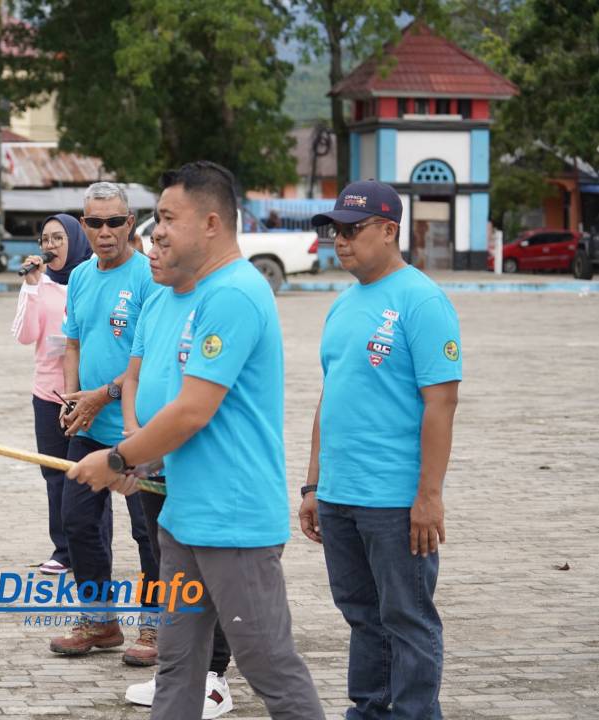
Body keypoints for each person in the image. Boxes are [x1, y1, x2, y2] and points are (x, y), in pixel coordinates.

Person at [68, 161, 324, 720]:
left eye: (166, 217)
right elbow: (166, 402)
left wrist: (116, 457)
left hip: (232, 524)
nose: (155, 231)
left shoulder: (233, 294)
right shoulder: (188, 293)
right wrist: (142, 462)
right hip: (183, 520)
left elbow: (194, 410)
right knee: (178, 664)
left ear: (211, 223)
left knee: (270, 667)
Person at [299, 180, 461, 720]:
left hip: (395, 500)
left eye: (352, 229)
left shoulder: (422, 300)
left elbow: (441, 406)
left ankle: (415, 713)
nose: (340, 241)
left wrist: (428, 497)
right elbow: (331, 395)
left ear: (389, 230)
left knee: (407, 616)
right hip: (341, 496)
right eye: (334, 230)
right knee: (361, 616)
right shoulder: (343, 305)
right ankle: (368, 710)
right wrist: (313, 484)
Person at [120, 219, 235, 718]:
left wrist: (145, 450)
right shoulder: (154, 303)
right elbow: (134, 377)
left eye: (161, 246)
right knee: (169, 571)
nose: (151, 255)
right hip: (149, 462)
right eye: (149, 247)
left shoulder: (214, 303)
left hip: (194, 465)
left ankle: (213, 677)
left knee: (215, 576)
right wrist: (131, 436)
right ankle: (177, 672)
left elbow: (198, 405)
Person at [48, 182, 161, 666]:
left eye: (115, 221)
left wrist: (105, 396)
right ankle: (99, 620)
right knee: (77, 521)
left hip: (138, 431)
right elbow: (72, 342)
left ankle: (157, 627)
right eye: (95, 223)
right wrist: (74, 397)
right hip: (89, 428)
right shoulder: (79, 277)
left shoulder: (147, 277)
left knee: (148, 534)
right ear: (84, 225)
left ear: (130, 223)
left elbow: (149, 357)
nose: (105, 231)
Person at [11, 213, 93, 575]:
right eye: (45, 239)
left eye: (59, 238)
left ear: (74, 240)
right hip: (47, 392)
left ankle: (90, 547)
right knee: (55, 474)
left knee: (86, 475)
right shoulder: (37, 284)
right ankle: (63, 550)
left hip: (88, 392)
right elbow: (25, 335)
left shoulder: (91, 277)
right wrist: (30, 286)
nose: (51, 245)